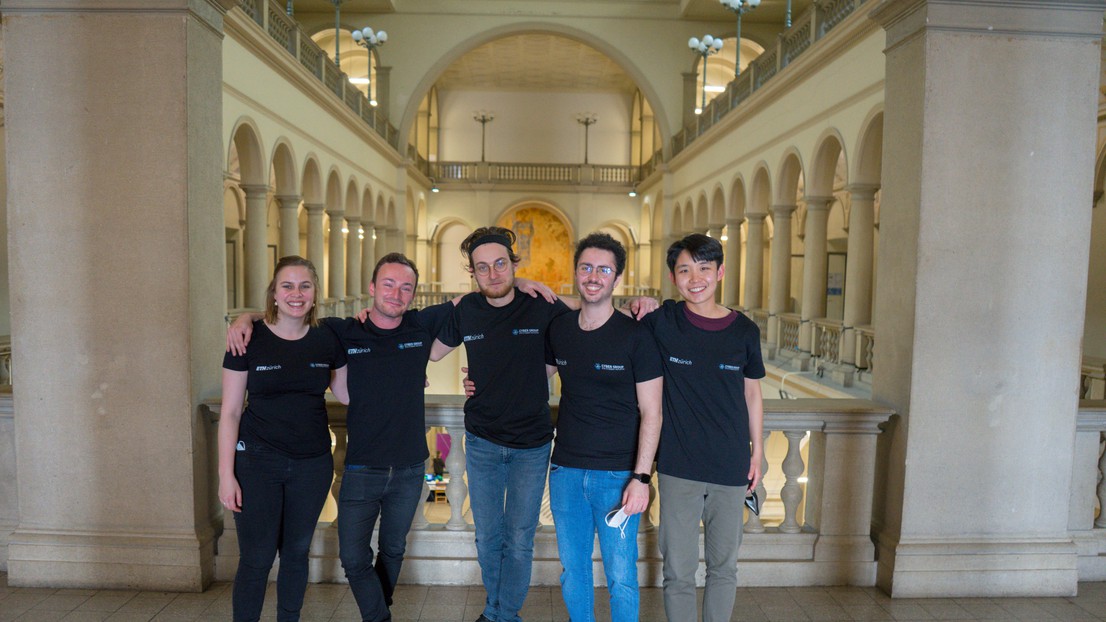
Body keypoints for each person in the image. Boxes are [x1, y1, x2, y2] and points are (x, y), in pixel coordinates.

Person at [228, 252, 553, 622]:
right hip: (361, 467)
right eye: (388, 284)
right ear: (371, 288)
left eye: (405, 287)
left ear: (414, 294)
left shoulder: (422, 323)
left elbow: (478, 297)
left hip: (410, 467)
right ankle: (380, 616)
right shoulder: (343, 330)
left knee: (393, 551)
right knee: (352, 556)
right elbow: (292, 314)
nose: (396, 293)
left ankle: (377, 614)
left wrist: (523, 283)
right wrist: (248, 317)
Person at [433, 226, 571, 622]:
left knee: (519, 539)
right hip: (482, 443)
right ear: (473, 273)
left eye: (500, 264)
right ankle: (501, 615)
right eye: (482, 268)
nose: (493, 274)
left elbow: (590, 315)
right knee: (488, 538)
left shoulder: (540, 305)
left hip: (532, 444)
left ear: (514, 264)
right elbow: (429, 349)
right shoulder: (466, 311)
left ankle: (499, 615)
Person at [640, 233, 765, 622]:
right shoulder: (664, 321)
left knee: (723, 568)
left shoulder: (744, 331)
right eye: (685, 269)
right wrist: (526, 288)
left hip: (731, 467)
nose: (695, 278)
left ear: (720, 272)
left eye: (704, 268)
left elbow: (753, 396)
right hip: (679, 466)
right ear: (673, 277)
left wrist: (757, 452)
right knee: (677, 572)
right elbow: (595, 313)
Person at [218, 256, 347, 622]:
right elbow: (229, 412)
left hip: (312, 464)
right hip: (257, 463)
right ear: (273, 293)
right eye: (287, 286)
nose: (296, 293)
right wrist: (226, 475)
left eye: (305, 286)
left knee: (296, 554)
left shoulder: (327, 337)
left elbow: (349, 393)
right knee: (257, 558)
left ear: (315, 292)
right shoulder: (247, 339)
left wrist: (403, 378)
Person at [543, 233, 663, 622]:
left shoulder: (636, 335)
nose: (594, 276)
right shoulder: (560, 329)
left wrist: (641, 478)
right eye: (587, 267)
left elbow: (653, 412)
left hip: (618, 475)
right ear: (576, 272)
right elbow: (530, 381)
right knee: (573, 573)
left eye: (604, 269)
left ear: (617, 278)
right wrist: (478, 381)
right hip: (565, 472)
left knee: (622, 577)